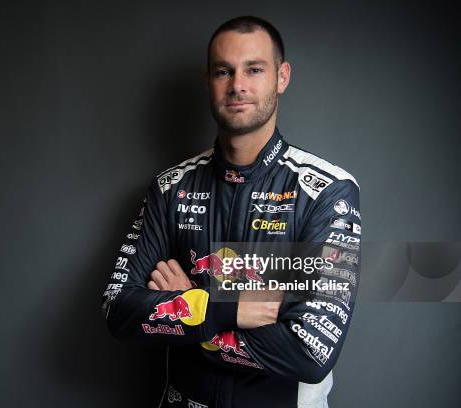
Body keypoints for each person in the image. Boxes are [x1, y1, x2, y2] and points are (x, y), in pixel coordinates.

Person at [102, 16, 361, 408]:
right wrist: (225, 307)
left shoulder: (327, 192)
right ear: (209, 81)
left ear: (281, 77)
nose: (237, 85)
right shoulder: (171, 187)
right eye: (224, 71)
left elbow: (311, 354)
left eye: (254, 69)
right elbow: (119, 311)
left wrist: (188, 308)